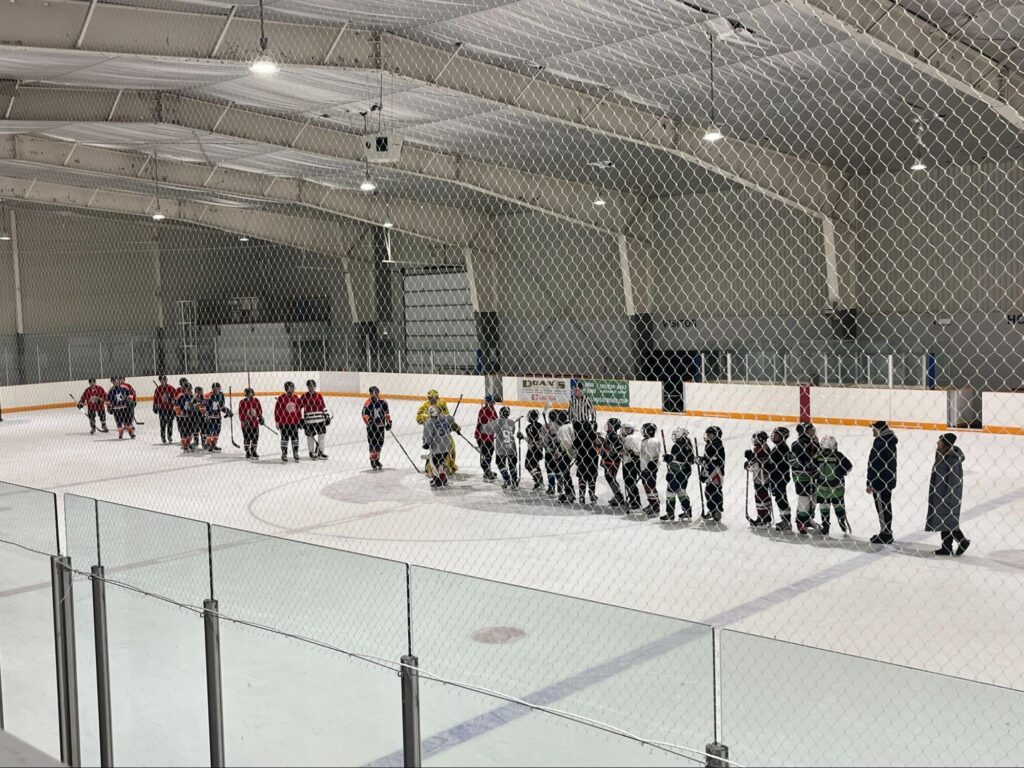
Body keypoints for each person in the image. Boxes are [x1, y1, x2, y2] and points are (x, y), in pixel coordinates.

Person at [926, 433, 970, 556]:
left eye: (939, 442)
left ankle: (962, 541)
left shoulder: (953, 459)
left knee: (948, 521)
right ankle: (946, 547)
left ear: (945, 444)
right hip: (940, 494)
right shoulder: (942, 455)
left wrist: (949, 498)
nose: (937, 443)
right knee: (944, 521)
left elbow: (954, 481)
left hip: (948, 496)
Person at [867, 420, 899, 544]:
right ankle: (886, 531)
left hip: (880, 482)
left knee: (882, 508)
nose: (872, 431)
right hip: (888, 479)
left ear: (879, 430)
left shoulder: (880, 443)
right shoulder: (889, 441)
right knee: (886, 506)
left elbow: (874, 464)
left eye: (874, 428)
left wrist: (871, 482)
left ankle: (885, 533)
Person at [816, 435, 853, 536]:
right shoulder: (839, 455)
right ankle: (842, 522)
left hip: (822, 490)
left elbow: (814, 470)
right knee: (839, 507)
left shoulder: (818, 455)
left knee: (824, 507)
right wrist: (843, 472)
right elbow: (849, 467)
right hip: (838, 490)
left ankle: (825, 527)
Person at [416, 390, 457, 474]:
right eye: (431, 398)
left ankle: (448, 466)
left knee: (451, 448)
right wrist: (429, 418)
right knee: (436, 453)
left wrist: (452, 425)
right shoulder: (424, 406)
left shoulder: (442, 404)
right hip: (433, 434)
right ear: (428, 398)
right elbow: (418, 418)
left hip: (443, 432)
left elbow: (446, 417)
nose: (434, 400)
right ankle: (433, 470)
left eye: (435, 398)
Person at [790, 422, 820, 535]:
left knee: (813, 499)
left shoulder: (813, 442)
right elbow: (801, 460)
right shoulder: (797, 444)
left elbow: (818, 456)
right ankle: (801, 522)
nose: (813, 432)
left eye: (813, 429)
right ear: (804, 432)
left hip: (813, 476)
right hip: (802, 477)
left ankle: (808, 519)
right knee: (804, 499)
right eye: (810, 430)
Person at [422, 405, 460, 488]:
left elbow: (427, 434)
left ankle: (438, 479)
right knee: (441, 462)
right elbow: (450, 420)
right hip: (447, 445)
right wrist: (455, 427)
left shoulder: (429, 422)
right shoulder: (445, 419)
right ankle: (441, 478)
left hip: (437, 446)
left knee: (435, 463)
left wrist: (426, 443)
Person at [662, 427, 694, 522]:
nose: (674, 437)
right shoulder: (688, 443)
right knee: (681, 491)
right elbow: (690, 460)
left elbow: (676, 463)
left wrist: (668, 459)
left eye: (676, 435)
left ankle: (670, 513)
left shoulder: (677, 446)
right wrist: (670, 458)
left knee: (670, 492)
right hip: (686, 472)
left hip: (677, 473)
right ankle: (687, 511)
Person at [744, 431, 772, 527]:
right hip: (763, 477)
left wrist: (748, 462)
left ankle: (762, 518)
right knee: (764, 496)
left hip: (761, 478)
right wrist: (751, 457)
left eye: (756, 439)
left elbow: (756, 465)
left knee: (760, 497)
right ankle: (766, 517)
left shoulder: (761, 450)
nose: (754, 441)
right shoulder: (764, 448)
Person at [767, 427, 793, 531]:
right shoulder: (779, 447)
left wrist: (765, 464)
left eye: (777, 434)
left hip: (779, 477)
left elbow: (773, 464)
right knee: (779, 498)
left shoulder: (781, 448)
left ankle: (786, 521)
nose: (774, 436)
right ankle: (785, 519)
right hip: (778, 477)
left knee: (781, 498)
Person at [362, 386, 392, 470]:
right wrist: (369, 422)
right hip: (371, 428)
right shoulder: (367, 403)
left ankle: (377, 459)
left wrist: (389, 422)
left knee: (380, 444)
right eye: (372, 393)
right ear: (370, 394)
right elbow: (364, 414)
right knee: (372, 444)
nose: (374, 395)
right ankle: (372, 461)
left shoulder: (383, 402)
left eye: (376, 393)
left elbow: (387, 413)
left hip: (381, 427)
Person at [700, 426, 725, 522]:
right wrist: (702, 460)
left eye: (710, 435)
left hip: (716, 472)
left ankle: (717, 510)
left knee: (715, 491)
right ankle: (712, 510)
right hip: (709, 471)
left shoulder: (718, 445)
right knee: (708, 491)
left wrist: (704, 459)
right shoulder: (709, 444)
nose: (708, 436)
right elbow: (708, 458)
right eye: (707, 434)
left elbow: (716, 459)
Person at [300, 379, 330, 460]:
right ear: (307, 387)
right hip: (309, 421)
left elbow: (323, 407)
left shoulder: (319, 396)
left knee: (322, 435)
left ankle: (320, 451)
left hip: (320, 420)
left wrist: (327, 416)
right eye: (310, 386)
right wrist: (300, 419)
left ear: (315, 386)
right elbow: (298, 407)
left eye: (313, 386)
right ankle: (312, 452)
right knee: (310, 436)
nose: (311, 388)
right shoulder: (304, 396)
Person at [492, 406, 519, 489]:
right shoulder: (512, 422)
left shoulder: (497, 422)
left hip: (501, 447)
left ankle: (506, 479)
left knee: (500, 463)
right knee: (512, 465)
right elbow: (513, 432)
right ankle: (514, 481)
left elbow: (493, 432)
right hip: (511, 447)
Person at [600, 418, 625, 508]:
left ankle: (619, 496)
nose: (608, 426)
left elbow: (617, 448)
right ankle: (618, 495)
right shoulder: (610, 434)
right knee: (610, 478)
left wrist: (610, 451)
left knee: (610, 478)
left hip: (612, 461)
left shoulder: (613, 436)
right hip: (609, 460)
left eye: (610, 425)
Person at [275, 381, 303, 462]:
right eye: (291, 387)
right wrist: (277, 421)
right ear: (287, 388)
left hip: (294, 423)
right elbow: (277, 411)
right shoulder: (281, 398)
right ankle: (284, 453)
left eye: (293, 387)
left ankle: (295, 452)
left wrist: (300, 420)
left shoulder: (296, 398)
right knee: (284, 439)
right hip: (284, 423)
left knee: (295, 439)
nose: (293, 388)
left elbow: (298, 410)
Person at [575, 419, 599, 505]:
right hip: (593, 459)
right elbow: (600, 446)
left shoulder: (579, 435)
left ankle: (581, 495)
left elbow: (575, 446)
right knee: (592, 477)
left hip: (581, 458)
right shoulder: (596, 436)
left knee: (582, 477)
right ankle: (592, 494)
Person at [519, 410, 545, 490]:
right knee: (535, 464)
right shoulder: (540, 426)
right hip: (538, 448)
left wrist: (523, 437)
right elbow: (541, 439)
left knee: (528, 464)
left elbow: (530, 440)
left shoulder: (528, 427)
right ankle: (539, 480)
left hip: (532, 448)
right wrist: (523, 437)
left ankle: (538, 479)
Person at [554, 409, 576, 503]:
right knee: (565, 474)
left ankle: (569, 494)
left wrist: (560, 451)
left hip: (566, 453)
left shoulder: (563, 428)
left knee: (565, 474)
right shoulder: (572, 425)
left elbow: (566, 442)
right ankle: (570, 493)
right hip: (573, 452)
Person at [475, 394, 498, 480]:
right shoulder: (483, 411)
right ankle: (487, 471)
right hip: (482, 437)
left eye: (493, 403)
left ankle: (488, 470)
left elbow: (495, 420)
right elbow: (484, 423)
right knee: (485, 454)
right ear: (487, 402)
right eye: (491, 402)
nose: (493, 404)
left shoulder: (493, 410)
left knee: (490, 453)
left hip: (490, 436)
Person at [640, 423, 661, 517]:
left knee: (651, 486)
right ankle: (652, 503)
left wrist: (649, 469)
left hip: (649, 469)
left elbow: (654, 458)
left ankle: (655, 506)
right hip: (645, 468)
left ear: (649, 431)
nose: (643, 431)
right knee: (647, 487)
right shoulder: (646, 440)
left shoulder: (652, 441)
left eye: (645, 430)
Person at [620, 422, 642, 511]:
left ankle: (635, 502)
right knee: (629, 483)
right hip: (629, 462)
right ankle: (634, 501)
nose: (625, 430)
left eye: (628, 429)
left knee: (630, 482)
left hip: (631, 463)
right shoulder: (627, 438)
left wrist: (625, 452)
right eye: (625, 428)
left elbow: (636, 453)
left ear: (632, 429)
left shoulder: (631, 438)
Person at [202, 382, 230, 452]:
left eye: (218, 388)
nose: (217, 390)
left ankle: (214, 444)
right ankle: (208, 444)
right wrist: (205, 412)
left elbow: (221, 406)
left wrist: (227, 411)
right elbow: (203, 405)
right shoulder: (208, 395)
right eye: (215, 388)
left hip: (217, 416)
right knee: (209, 431)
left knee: (217, 431)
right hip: (210, 416)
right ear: (213, 389)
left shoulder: (221, 395)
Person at [238, 388, 263, 460]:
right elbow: (241, 413)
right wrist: (244, 420)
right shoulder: (242, 402)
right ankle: (247, 452)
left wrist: (260, 417)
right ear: (246, 394)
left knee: (255, 438)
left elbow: (259, 410)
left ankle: (253, 450)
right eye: (249, 393)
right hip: (246, 425)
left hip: (255, 423)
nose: (250, 394)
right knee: (247, 438)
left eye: (251, 393)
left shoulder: (256, 401)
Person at [174, 379, 197, 451]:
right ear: (185, 389)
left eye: (191, 389)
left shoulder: (192, 397)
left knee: (190, 432)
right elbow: (176, 407)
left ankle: (188, 443)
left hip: (189, 417)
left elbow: (195, 406)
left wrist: (193, 406)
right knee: (183, 432)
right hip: (181, 418)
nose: (190, 390)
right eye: (189, 389)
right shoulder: (180, 396)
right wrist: (180, 412)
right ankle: (185, 445)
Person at [153, 375, 176, 443]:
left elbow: (176, 397)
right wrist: (155, 406)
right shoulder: (158, 389)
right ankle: (163, 437)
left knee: (170, 423)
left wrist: (171, 399)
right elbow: (155, 398)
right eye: (163, 380)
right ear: (160, 381)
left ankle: (169, 436)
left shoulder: (171, 388)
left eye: (165, 379)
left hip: (170, 409)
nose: (164, 381)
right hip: (162, 409)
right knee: (162, 423)